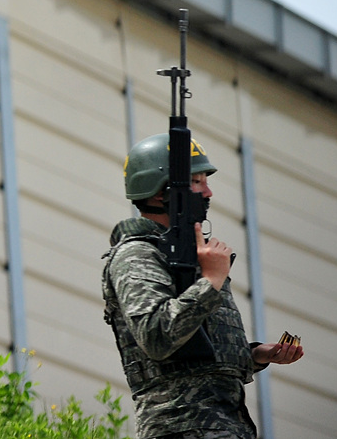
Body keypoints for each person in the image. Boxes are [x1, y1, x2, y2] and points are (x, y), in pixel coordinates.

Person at [103, 134, 304, 438]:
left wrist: (256, 355)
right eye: (197, 182)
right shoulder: (137, 254)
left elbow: (197, 356)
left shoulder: (193, 255)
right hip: (179, 426)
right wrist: (210, 282)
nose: (208, 192)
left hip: (225, 424)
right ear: (161, 193)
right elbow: (156, 336)